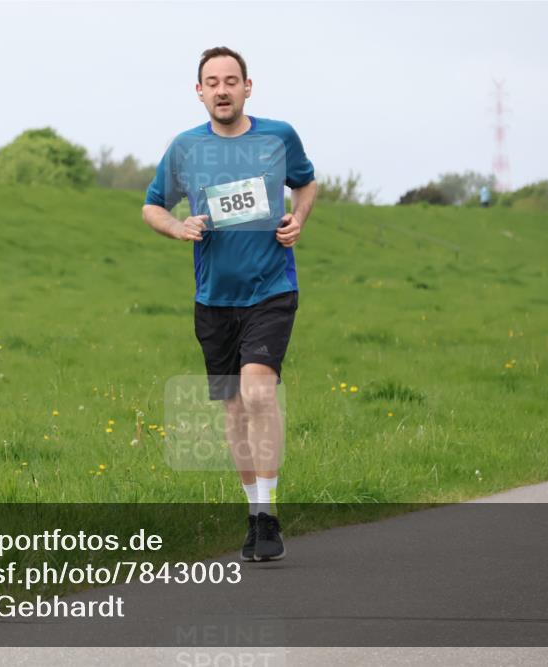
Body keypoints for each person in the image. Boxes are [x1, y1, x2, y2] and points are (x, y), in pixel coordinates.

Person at [142, 46, 317, 560]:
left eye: (231, 80)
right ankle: (254, 512)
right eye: (211, 82)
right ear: (199, 92)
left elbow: (305, 185)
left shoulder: (277, 137)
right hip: (213, 298)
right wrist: (179, 226)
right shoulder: (185, 149)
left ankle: (269, 515)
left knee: (258, 393)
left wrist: (298, 219)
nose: (222, 89)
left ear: (247, 87)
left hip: (271, 288)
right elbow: (152, 205)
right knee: (236, 410)